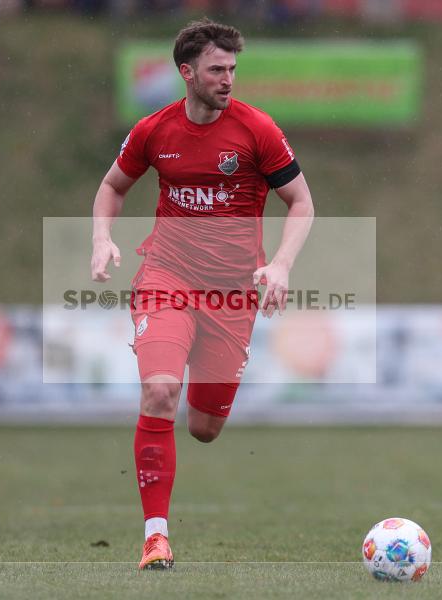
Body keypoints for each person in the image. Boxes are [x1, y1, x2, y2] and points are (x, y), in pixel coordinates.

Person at [90, 18, 314, 570]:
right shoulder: (154, 131)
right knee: (161, 392)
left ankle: (186, 351)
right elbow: (112, 188)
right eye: (217, 69)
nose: (228, 78)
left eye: (233, 68)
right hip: (167, 276)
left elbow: (301, 203)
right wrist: (101, 240)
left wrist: (281, 265)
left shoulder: (257, 130)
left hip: (232, 295)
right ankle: (156, 537)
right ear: (186, 72)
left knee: (204, 428)